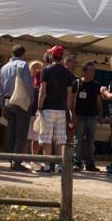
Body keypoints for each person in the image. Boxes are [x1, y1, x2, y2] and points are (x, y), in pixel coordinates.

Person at [36, 45, 75, 173]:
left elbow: (43, 91)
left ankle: (47, 166)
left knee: (46, 139)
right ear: (62, 57)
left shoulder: (46, 71)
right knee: (60, 139)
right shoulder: (68, 73)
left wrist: (39, 106)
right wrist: (68, 109)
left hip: (47, 108)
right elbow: (69, 94)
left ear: (52, 56)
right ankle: (59, 166)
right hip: (62, 109)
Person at [0, 45, 35, 171]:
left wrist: (2, 105)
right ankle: (17, 162)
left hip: (8, 101)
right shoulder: (23, 65)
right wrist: (31, 99)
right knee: (21, 133)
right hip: (20, 101)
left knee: (11, 132)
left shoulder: (3, 67)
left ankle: (11, 159)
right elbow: (27, 83)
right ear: (23, 54)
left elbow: (1, 89)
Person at [72, 61, 103, 172]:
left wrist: (100, 115)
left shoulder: (96, 85)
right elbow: (72, 100)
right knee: (78, 140)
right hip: (79, 116)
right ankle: (77, 162)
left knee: (91, 141)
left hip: (92, 117)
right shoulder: (77, 83)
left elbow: (99, 101)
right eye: (90, 70)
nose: (93, 72)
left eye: (94, 70)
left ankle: (90, 164)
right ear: (83, 71)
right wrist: (73, 115)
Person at [27, 59, 45, 158]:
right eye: (34, 67)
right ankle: (25, 158)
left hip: (36, 113)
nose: (36, 69)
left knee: (35, 139)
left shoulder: (42, 82)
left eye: (39, 67)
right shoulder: (27, 80)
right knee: (26, 138)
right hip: (27, 112)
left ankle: (34, 158)